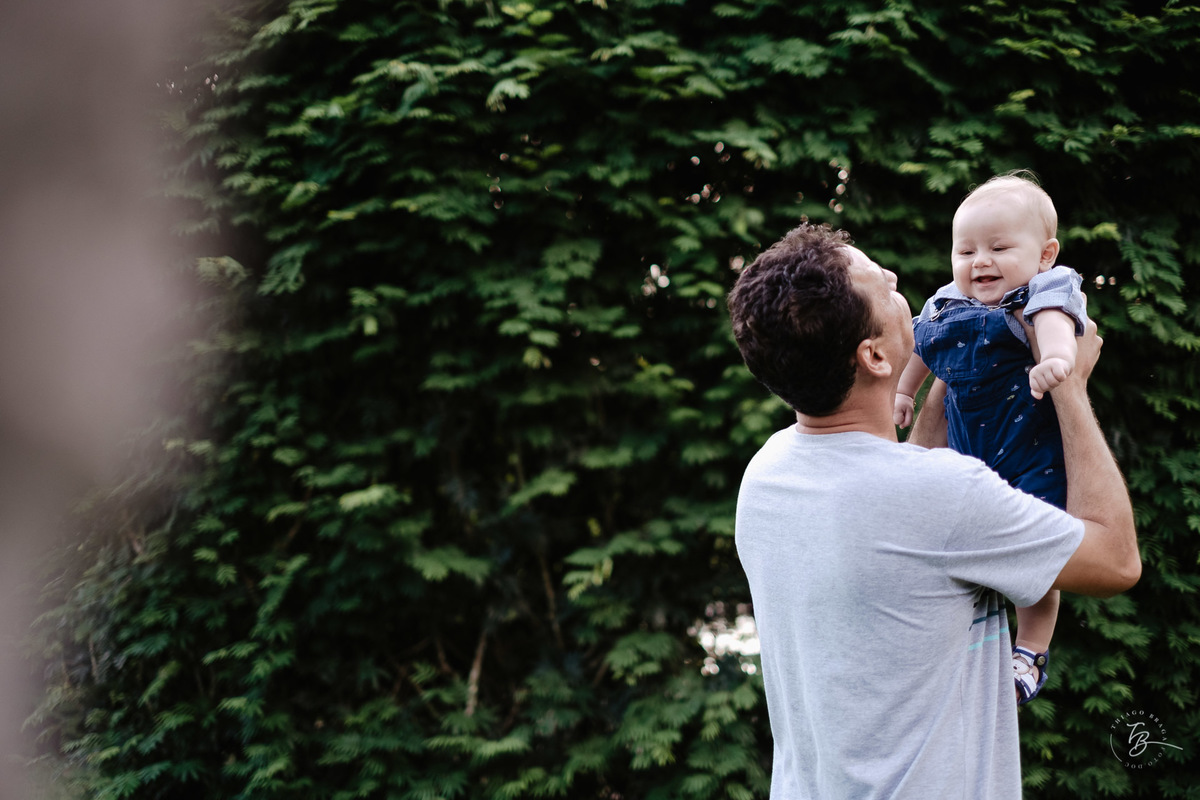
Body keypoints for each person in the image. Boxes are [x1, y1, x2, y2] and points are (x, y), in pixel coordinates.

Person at [727, 222, 1138, 799]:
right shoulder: (943, 497)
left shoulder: (768, 475)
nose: (899, 281)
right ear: (872, 355)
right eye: (884, 287)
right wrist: (1070, 384)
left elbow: (903, 508)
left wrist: (948, 379)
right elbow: (1117, 561)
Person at [892, 172, 1087, 704]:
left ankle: (1031, 650)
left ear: (1045, 254)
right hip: (967, 448)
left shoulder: (1045, 288)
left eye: (999, 247)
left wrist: (1056, 361)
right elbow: (921, 347)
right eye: (966, 250)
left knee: (1037, 563)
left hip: (1029, 448)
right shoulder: (946, 301)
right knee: (954, 542)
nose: (980, 261)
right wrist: (905, 393)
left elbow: (1055, 326)